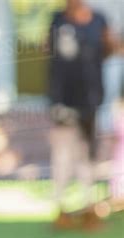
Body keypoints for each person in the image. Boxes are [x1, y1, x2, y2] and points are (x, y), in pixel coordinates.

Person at [48, 0, 118, 214]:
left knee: (87, 152)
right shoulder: (57, 19)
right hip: (63, 99)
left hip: (91, 97)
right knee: (63, 152)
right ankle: (60, 206)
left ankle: (88, 205)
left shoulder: (99, 20)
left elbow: (110, 48)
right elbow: (49, 53)